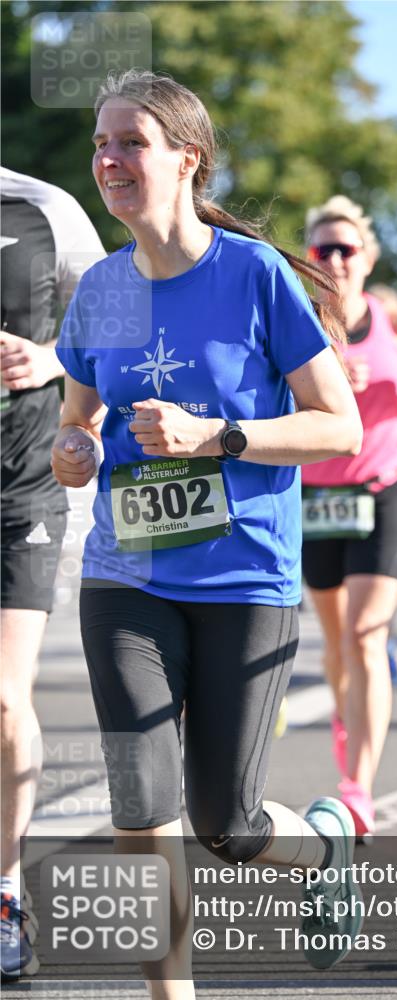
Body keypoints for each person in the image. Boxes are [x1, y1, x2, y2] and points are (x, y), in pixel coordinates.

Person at [50, 70, 365, 997]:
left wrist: (215, 436)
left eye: (131, 143)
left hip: (244, 583)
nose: (109, 159)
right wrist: (75, 449)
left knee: (224, 825)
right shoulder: (101, 288)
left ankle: (324, 849)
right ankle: (170, 993)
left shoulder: (253, 276)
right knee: (140, 804)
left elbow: (337, 427)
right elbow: (80, 429)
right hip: (126, 578)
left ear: (186, 160)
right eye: (101, 143)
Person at [301, 196, 397, 839]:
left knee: (365, 636)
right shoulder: (297, 319)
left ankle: (357, 790)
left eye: (346, 249)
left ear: (368, 257)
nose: (333, 259)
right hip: (314, 494)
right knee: (335, 643)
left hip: (385, 486)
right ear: (307, 258)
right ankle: (345, 711)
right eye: (321, 249)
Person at [0, 166, 105, 981]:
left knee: (5, 699)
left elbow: (114, 321)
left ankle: (3, 893)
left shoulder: (44, 208)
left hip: (20, 489)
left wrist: (48, 355)